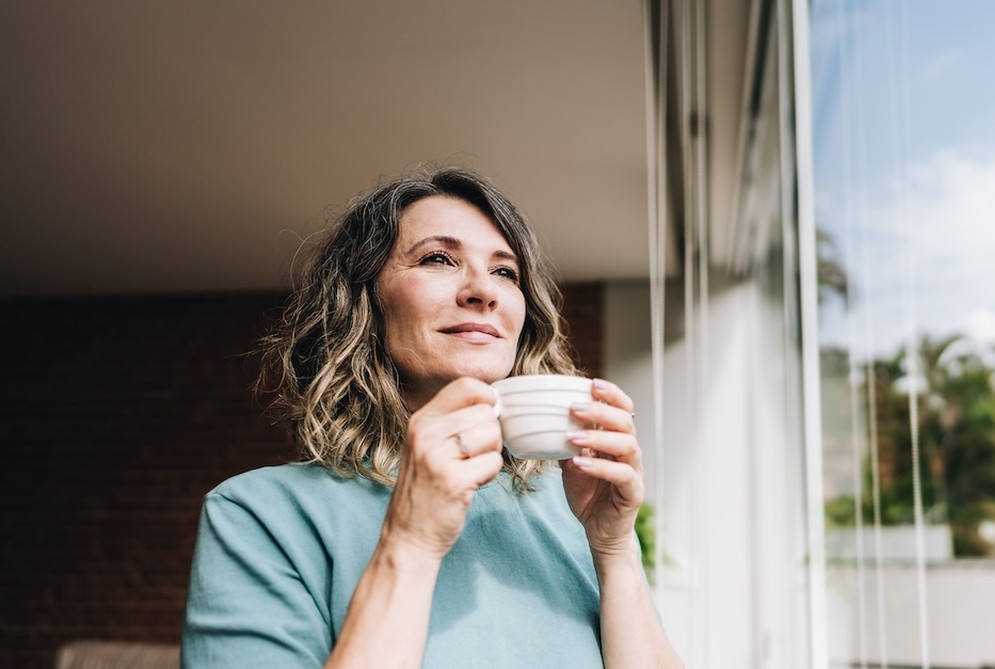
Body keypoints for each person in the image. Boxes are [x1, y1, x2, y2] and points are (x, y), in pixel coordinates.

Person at [181, 167, 683, 668]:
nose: (483, 291)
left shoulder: (575, 510)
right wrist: (411, 541)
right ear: (365, 302)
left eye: (505, 272)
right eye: (438, 259)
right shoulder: (258, 515)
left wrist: (615, 552)